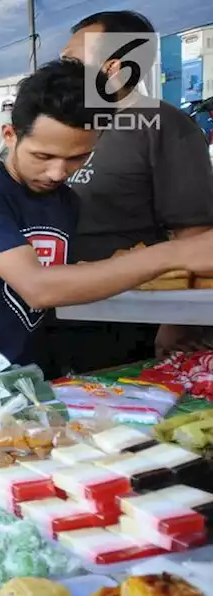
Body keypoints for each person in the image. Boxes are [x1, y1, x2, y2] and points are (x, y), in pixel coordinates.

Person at [0, 59, 213, 366]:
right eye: (43, 155)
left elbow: (71, 280)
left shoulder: (64, 200)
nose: (57, 172)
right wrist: (173, 254)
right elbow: (38, 287)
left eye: (78, 157)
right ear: (10, 135)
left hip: (18, 374)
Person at [60, 9, 213, 364]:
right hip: (63, 303)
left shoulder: (160, 125)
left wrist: (178, 319)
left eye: (71, 59)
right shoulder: (71, 123)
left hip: (128, 318)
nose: (61, 68)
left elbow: (196, 233)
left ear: (112, 68)